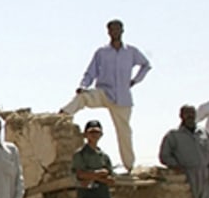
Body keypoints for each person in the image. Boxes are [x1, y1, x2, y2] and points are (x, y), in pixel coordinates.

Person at [59, 19, 150, 168]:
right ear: (108, 32)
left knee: (124, 133)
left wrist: (135, 80)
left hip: (123, 97)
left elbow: (146, 65)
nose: (115, 32)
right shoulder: (102, 52)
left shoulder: (131, 52)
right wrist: (83, 85)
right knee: (83, 96)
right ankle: (63, 115)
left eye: (117, 29)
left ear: (122, 30)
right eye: (112, 29)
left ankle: (129, 166)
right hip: (104, 92)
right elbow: (91, 71)